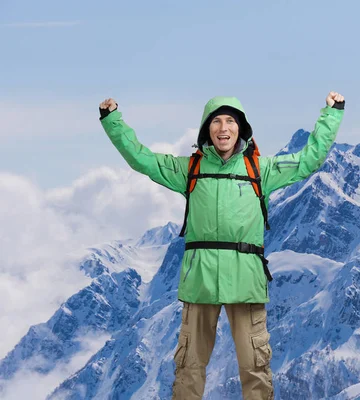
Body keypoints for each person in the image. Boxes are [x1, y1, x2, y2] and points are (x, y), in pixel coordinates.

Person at [99, 92, 345, 399]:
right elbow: (142, 159)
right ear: (207, 130)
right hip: (201, 280)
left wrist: (332, 114)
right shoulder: (190, 170)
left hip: (245, 280)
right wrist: (113, 121)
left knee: (255, 367)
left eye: (230, 121)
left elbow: (309, 160)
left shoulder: (261, 171)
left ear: (241, 128)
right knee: (188, 367)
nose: (223, 127)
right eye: (216, 121)